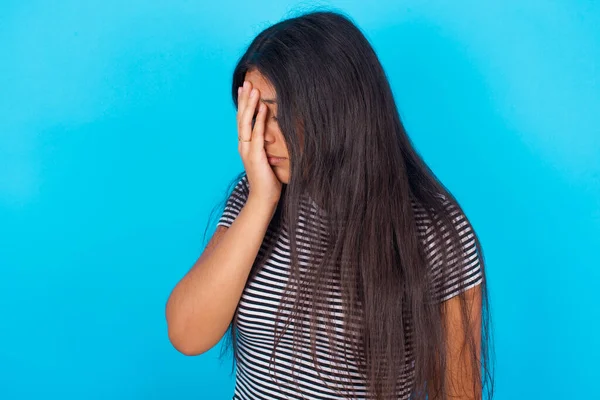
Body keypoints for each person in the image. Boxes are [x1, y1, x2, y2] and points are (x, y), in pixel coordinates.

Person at [166, 9, 494, 400]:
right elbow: (187, 334)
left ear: (338, 108)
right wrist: (262, 200)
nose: (262, 136)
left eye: (277, 112)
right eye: (254, 115)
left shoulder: (433, 229)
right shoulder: (252, 197)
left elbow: (459, 392)